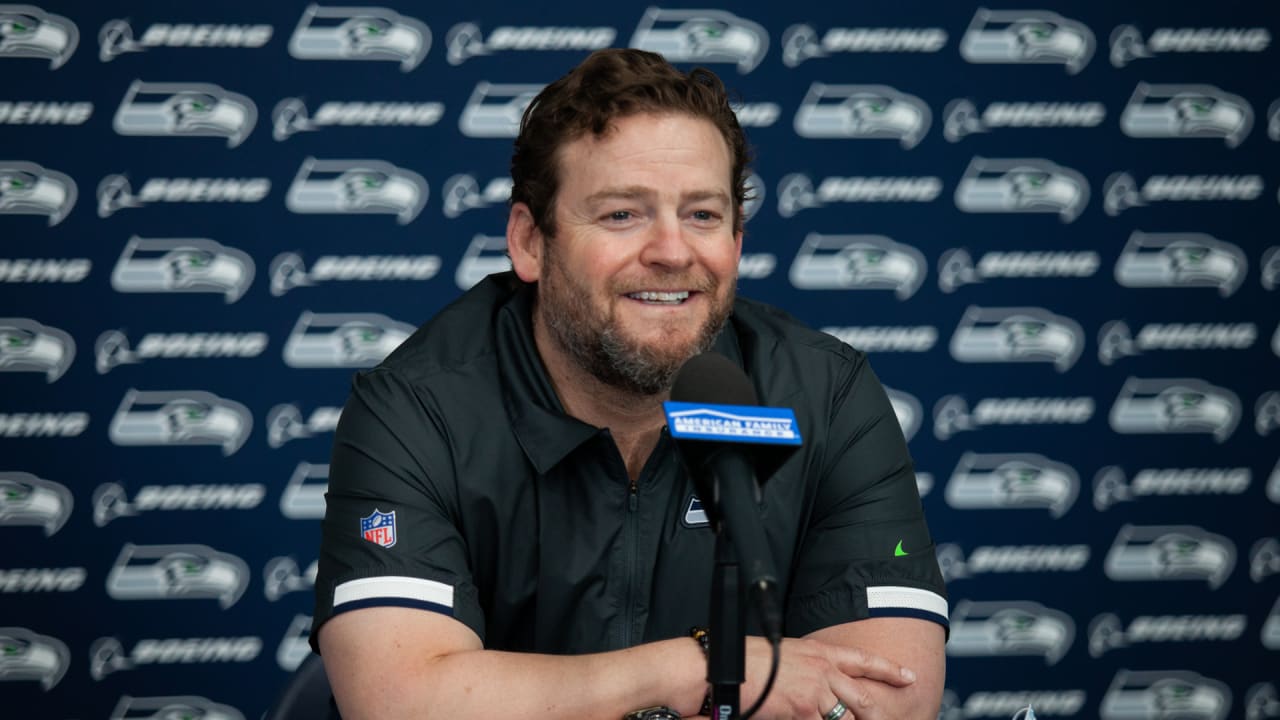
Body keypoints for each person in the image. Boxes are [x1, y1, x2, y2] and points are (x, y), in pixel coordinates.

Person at [312, 48, 947, 720]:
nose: (672, 251)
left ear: (737, 241)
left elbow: (890, 697)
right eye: (622, 214)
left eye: (702, 214)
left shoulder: (827, 397)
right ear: (530, 242)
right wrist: (693, 667)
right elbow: (400, 702)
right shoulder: (419, 410)